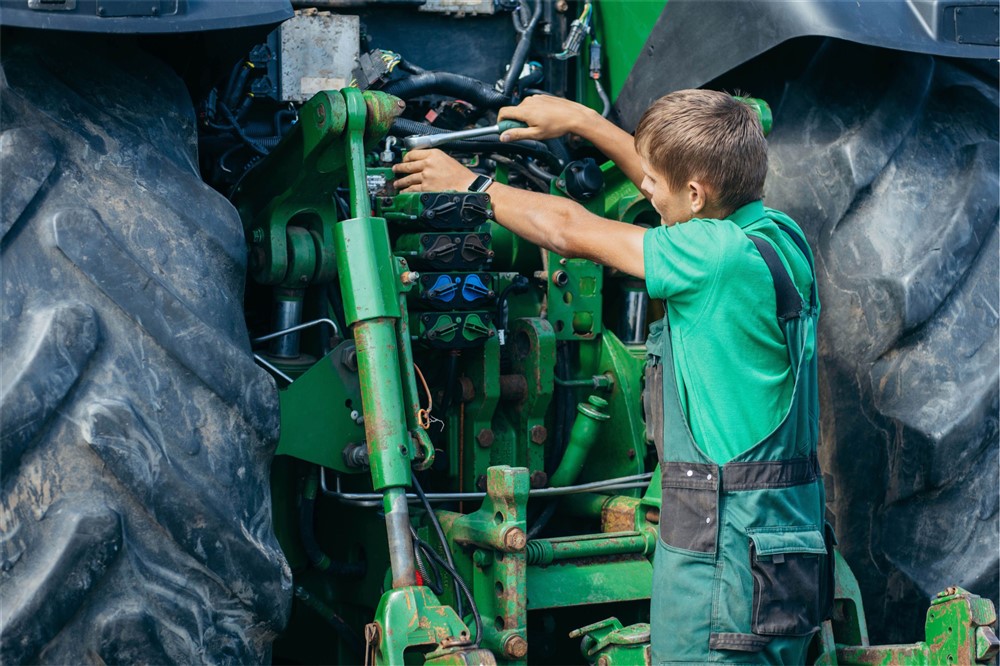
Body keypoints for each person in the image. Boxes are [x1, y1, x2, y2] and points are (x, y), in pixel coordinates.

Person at [393, 89, 829, 664]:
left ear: (696, 195)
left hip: (722, 557)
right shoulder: (777, 234)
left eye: (654, 181)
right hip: (783, 549)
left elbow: (567, 230)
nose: (642, 188)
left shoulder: (710, 258)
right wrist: (582, 121)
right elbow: (675, 180)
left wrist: (472, 186)